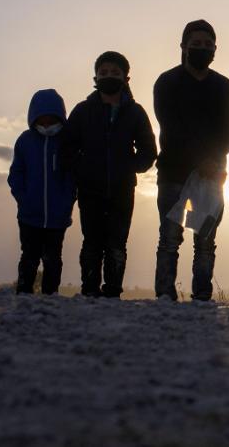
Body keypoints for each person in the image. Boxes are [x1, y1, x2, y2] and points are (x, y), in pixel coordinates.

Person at [152, 19, 229, 302]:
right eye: (195, 44)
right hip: (173, 173)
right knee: (169, 239)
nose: (201, 48)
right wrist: (198, 158)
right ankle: (165, 295)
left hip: (213, 175)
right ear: (183, 46)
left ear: (215, 49)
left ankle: (202, 295)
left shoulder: (224, 87)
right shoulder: (166, 82)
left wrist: (213, 162)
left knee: (205, 241)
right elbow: (170, 125)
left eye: (207, 44)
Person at [61, 51, 157, 298]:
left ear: (126, 78)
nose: (109, 76)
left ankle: (113, 291)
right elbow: (68, 146)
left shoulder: (135, 112)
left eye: (115, 73)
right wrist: (81, 168)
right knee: (91, 241)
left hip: (123, 190)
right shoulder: (83, 111)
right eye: (103, 73)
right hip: (89, 188)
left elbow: (148, 149)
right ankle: (89, 290)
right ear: (95, 77)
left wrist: (130, 166)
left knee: (116, 243)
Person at [7, 89, 76, 294]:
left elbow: (72, 178)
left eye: (51, 120)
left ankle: (50, 294)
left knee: (53, 258)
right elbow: (16, 174)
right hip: (29, 216)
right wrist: (23, 199)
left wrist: (66, 203)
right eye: (42, 121)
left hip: (58, 218)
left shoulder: (66, 142)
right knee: (29, 256)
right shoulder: (25, 141)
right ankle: (24, 291)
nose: (47, 126)